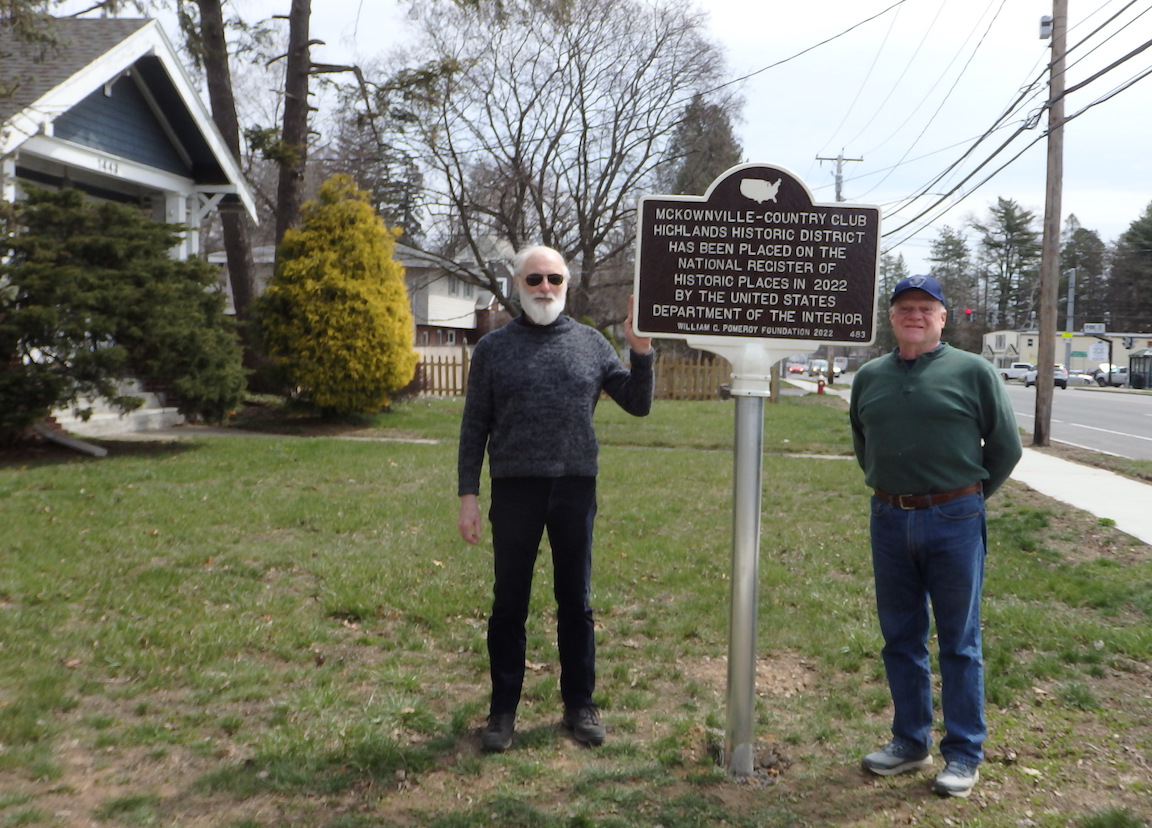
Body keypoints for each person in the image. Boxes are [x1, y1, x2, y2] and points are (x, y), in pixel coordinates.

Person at [457, 244, 654, 753]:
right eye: (535, 279)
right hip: (515, 489)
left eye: (555, 279)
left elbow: (637, 404)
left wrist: (641, 351)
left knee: (577, 602)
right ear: (517, 284)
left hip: (574, 489)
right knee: (509, 605)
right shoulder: (494, 350)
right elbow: (474, 426)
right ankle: (502, 712)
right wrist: (468, 496)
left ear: (567, 284)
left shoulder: (590, 344)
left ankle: (579, 704)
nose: (546, 288)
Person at [849, 275, 1022, 798]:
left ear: (943, 318)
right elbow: (863, 441)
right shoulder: (869, 376)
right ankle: (909, 742)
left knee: (959, 643)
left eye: (926, 307)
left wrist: (964, 501)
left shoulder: (973, 371)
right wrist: (895, 491)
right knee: (900, 637)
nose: (915, 315)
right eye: (905, 307)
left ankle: (964, 754)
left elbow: (1006, 448)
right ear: (892, 316)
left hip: (954, 519)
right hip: (889, 517)